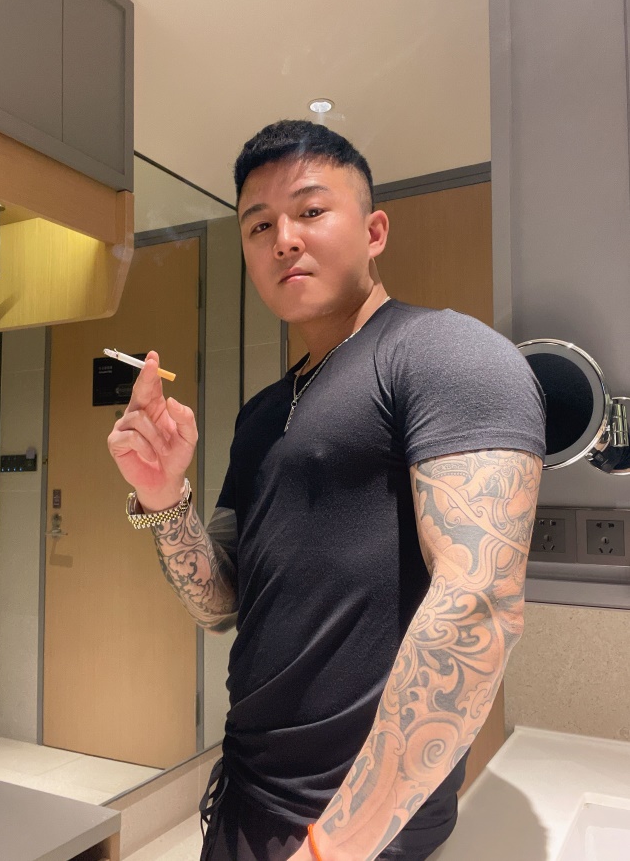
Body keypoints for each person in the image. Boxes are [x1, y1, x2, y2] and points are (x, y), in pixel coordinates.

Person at [107, 120, 546, 861]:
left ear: (374, 232)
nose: (283, 239)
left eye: (310, 211)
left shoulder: (445, 353)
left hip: (356, 828)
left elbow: (479, 604)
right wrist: (162, 497)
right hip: (243, 792)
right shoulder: (260, 414)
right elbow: (221, 605)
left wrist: (334, 847)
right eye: (259, 225)